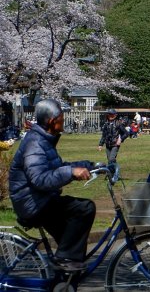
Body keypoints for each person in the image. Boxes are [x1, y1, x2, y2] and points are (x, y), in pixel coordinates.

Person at [9, 99, 95, 271]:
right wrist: (70, 172)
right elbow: (40, 179)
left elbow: (55, 167)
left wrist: (89, 165)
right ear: (51, 121)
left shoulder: (44, 139)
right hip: (33, 204)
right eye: (61, 118)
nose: (63, 120)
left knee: (74, 243)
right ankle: (63, 262)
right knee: (85, 208)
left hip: (41, 200)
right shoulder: (35, 144)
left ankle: (65, 279)